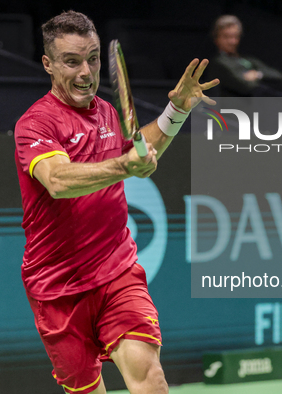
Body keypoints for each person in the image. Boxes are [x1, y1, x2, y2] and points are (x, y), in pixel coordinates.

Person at [14, 11, 218, 394]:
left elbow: (139, 150)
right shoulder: (35, 124)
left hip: (116, 273)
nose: (86, 72)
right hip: (58, 288)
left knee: (150, 379)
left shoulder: (107, 112)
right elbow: (57, 180)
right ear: (48, 64)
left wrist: (177, 111)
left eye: (92, 59)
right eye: (71, 62)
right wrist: (125, 165)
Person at [207, 15, 282, 96]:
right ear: (216, 38)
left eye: (235, 36)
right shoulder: (218, 63)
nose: (232, 42)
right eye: (227, 37)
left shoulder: (248, 59)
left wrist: (257, 74)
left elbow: (278, 76)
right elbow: (246, 85)